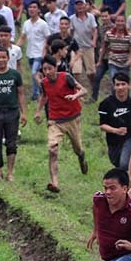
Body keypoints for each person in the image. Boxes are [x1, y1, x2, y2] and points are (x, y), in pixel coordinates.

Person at [35, 57, 88, 192]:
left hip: (72, 118)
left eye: (50, 68)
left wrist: (75, 96)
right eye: (45, 69)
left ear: (56, 68)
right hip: (55, 120)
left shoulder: (66, 77)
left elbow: (84, 90)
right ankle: (55, 183)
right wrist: (38, 111)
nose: (47, 72)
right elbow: (44, 96)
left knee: (78, 148)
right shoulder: (44, 83)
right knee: (52, 149)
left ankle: (81, 156)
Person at [0, 46, 28, 181]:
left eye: (3, 57)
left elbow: (21, 94)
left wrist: (24, 113)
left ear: (8, 58)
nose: (1, 60)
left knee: (11, 143)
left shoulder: (15, 75)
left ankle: (10, 172)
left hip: (12, 112)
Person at [99, 73, 131, 170]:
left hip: (129, 138)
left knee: (124, 164)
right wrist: (116, 130)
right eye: (117, 85)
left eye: (123, 84)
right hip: (112, 141)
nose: (120, 87)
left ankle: (126, 178)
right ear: (114, 87)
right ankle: (124, 178)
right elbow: (102, 125)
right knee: (117, 163)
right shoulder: (106, 104)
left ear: (129, 85)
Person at [21, 1, 51, 101]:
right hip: (30, 53)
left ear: (38, 10)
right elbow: (23, 37)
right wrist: (15, 47)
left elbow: (47, 38)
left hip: (39, 53)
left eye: (34, 7)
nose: (32, 9)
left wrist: (44, 51)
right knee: (36, 75)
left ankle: (37, 93)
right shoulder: (26, 23)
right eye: (30, 7)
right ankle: (40, 92)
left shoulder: (43, 24)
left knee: (34, 73)